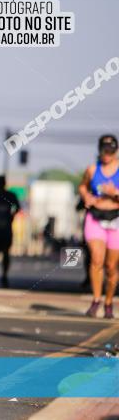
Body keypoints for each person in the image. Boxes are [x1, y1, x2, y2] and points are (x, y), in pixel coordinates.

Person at [79, 134, 119, 318]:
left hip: (116, 218)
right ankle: (96, 300)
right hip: (95, 217)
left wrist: (115, 193)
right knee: (96, 259)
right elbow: (82, 187)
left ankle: (109, 302)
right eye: (104, 151)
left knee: (111, 266)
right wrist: (86, 196)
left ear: (116, 152)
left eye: (111, 152)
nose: (107, 155)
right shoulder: (92, 169)